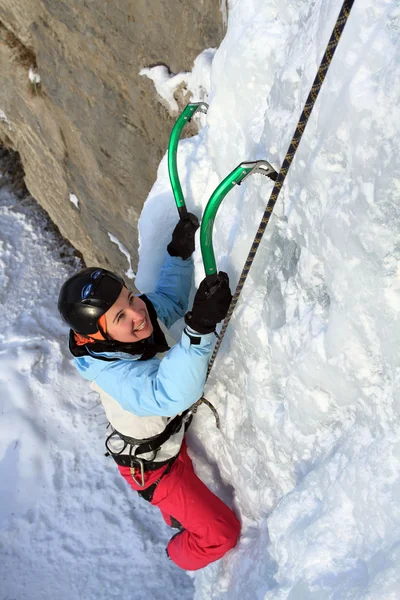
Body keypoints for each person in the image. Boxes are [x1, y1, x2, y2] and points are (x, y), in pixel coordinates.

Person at [58, 214, 240, 570]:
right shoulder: (117, 376)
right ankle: (175, 552)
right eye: (120, 317)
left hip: (167, 437)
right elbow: (171, 393)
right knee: (221, 534)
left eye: (129, 298)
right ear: (98, 336)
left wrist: (179, 254)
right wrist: (199, 328)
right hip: (156, 469)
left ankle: (178, 514)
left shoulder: (131, 322)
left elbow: (166, 302)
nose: (137, 314)